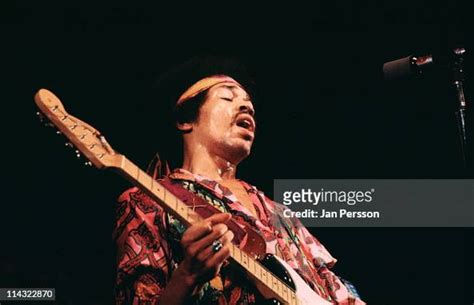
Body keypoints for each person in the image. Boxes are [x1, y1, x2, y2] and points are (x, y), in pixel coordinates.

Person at [114, 56, 365, 305]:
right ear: (185, 120)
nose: (247, 108)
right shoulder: (146, 200)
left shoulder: (280, 213)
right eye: (227, 97)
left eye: (249, 103)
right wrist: (187, 277)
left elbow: (337, 290)